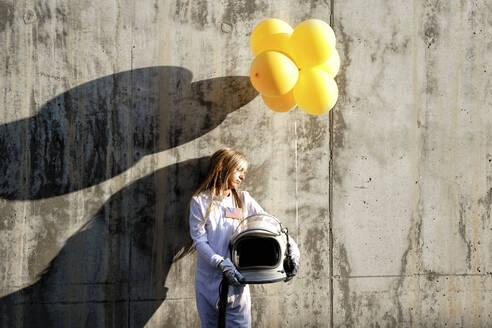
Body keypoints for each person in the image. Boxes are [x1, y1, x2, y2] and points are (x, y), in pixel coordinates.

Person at [189, 148, 298, 328]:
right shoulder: (200, 202)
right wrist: (221, 263)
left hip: (238, 278)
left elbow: (271, 224)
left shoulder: (243, 199)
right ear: (222, 167)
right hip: (208, 280)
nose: (243, 176)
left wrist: (292, 249)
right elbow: (199, 240)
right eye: (239, 170)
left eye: (245, 173)